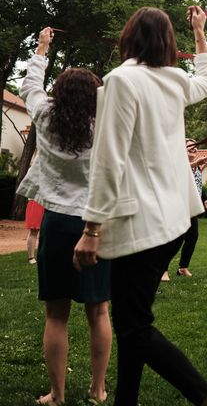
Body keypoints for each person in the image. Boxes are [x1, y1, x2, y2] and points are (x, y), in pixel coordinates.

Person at [73, 6, 207, 406]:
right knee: (135, 323)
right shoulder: (174, 81)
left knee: (134, 328)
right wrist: (200, 32)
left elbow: (108, 157)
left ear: (128, 37)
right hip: (174, 222)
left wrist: (91, 229)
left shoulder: (121, 81)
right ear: (169, 43)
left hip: (139, 225)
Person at [16, 27, 111, 405]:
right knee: (99, 309)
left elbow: (29, 85)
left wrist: (42, 47)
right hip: (95, 226)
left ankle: (57, 395)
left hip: (56, 223)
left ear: (59, 94)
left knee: (56, 315)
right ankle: (98, 389)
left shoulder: (44, 116)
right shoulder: (105, 128)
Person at [161, 138, 207, 281]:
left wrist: (205, 198)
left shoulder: (198, 168)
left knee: (192, 237)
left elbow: (197, 185)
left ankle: (183, 267)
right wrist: (195, 163)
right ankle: (163, 270)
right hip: (177, 207)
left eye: (196, 147)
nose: (194, 149)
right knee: (175, 240)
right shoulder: (178, 163)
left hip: (191, 209)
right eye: (190, 146)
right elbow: (180, 172)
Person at [25, 199, 45, 264]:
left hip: (48, 203)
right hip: (36, 202)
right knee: (34, 230)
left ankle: (45, 255)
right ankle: (31, 257)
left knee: (48, 231)